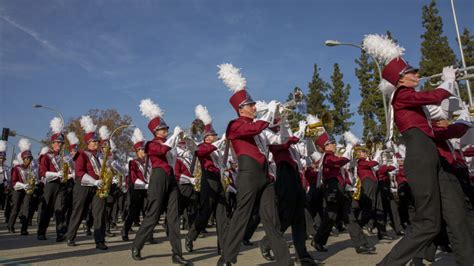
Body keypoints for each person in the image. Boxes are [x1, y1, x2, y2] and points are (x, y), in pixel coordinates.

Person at [131, 99, 189, 265]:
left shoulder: (170, 144)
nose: (166, 131)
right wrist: (173, 139)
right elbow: (162, 150)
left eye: (166, 129)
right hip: (158, 178)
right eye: (163, 129)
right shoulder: (150, 145)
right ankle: (137, 244)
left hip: (171, 179)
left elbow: (175, 156)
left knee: (173, 218)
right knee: (153, 215)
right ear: (155, 131)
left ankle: (177, 254)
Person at [66, 115, 108, 250]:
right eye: (93, 141)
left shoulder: (101, 156)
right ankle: (70, 236)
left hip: (98, 187)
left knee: (99, 213)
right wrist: (94, 181)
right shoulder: (82, 154)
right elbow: (79, 173)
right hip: (83, 186)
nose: (96, 143)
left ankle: (100, 240)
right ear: (87, 143)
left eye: (97, 141)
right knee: (79, 211)